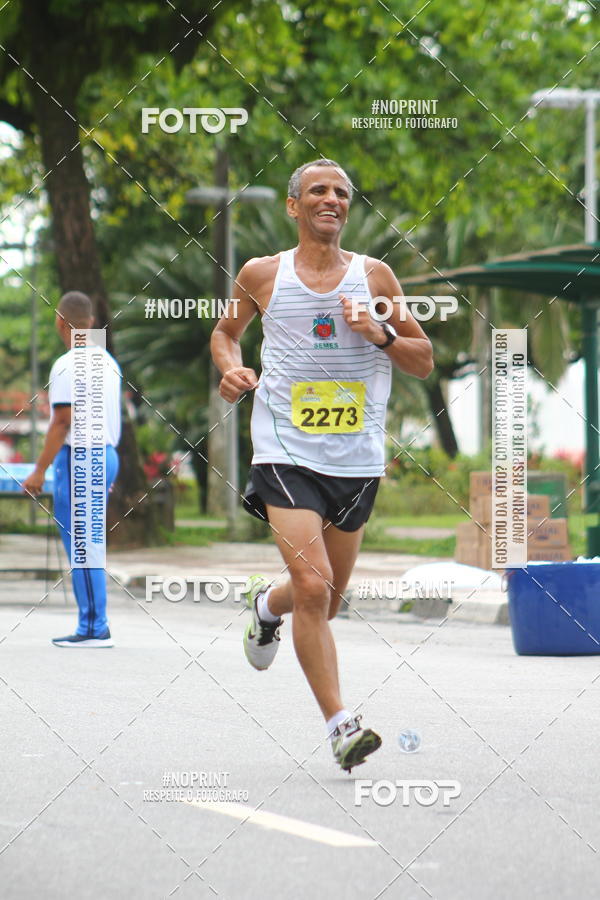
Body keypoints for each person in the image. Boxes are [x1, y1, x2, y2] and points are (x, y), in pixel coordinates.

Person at [211, 159, 433, 771]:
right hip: (285, 451)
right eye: (318, 191)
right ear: (294, 206)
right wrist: (230, 366)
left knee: (325, 601)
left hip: (356, 459)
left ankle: (265, 608)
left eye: (340, 192)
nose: (331, 199)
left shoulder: (375, 278)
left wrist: (380, 335)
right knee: (313, 586)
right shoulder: (263, 274)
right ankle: (341, 726)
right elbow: (225, 333)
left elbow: (423, 359)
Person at [23, 291, 121, 648]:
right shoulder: (109, 362)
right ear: (91, 323)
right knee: (87, 542)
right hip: (104, 453)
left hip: (82, 457)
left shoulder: (67, 364)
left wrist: (37, 472)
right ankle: (93, 623)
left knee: (84, 546)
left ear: (60, 322)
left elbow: (62, 421)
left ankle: (95, 627)